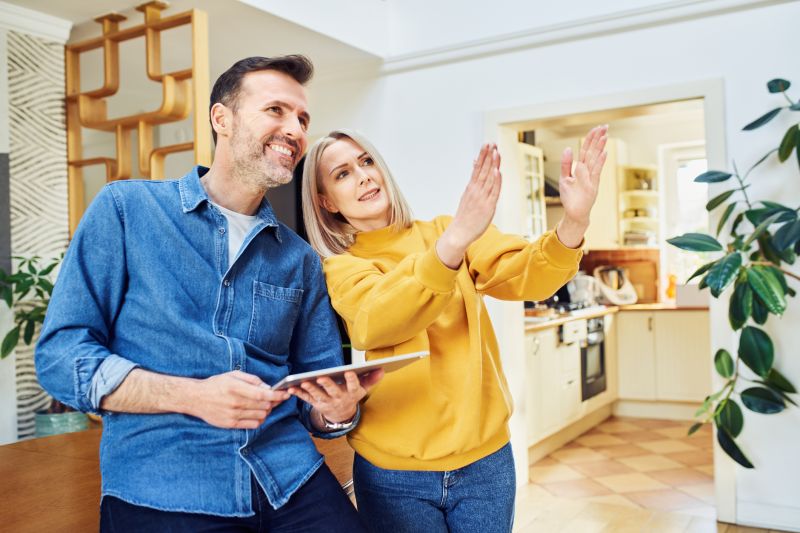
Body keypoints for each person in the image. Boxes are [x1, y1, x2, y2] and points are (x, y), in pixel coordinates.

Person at [35, 56, 380, 532]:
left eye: (302, 119)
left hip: (288, 476)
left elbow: (314, 392)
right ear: (222, 118)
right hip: (166, 485)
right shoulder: (125, 210)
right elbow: (60, 356)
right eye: (276, 110)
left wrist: (335, 413)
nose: (295, 130)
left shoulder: (299, 260)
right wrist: (192, 396)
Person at [299, 126, 608, 532]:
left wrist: (574, 221)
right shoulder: (342, 265)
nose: (364, 176)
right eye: (342, 174)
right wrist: (455, 241)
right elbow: (380, 318)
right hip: (395, 476)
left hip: (485, 464)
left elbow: (527, 274)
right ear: (326, 202)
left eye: (367, 161)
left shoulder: (444, 232)